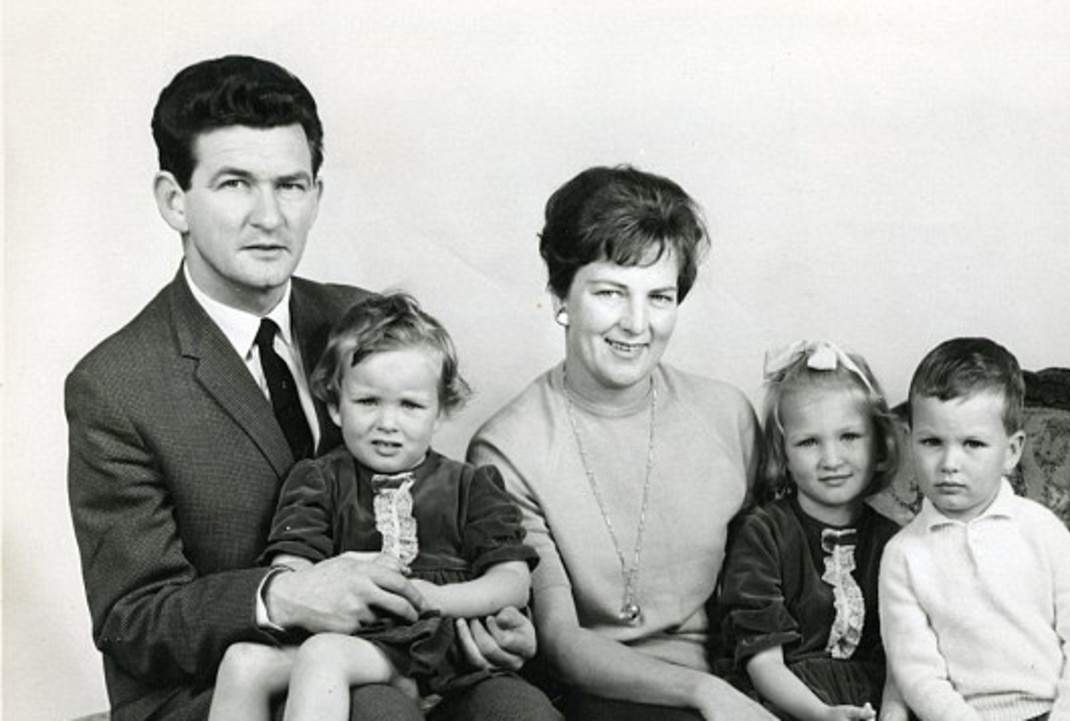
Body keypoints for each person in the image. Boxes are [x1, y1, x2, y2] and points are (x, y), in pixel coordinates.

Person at [65, 55, 551, 721]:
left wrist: (497, 621)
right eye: (236, 183)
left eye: (290, 185)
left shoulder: (364, 324)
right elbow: (131, 619)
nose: (269, 216)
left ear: (316, 195)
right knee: (376, 711)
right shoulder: (117, 384)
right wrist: (283, 594)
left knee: (521, 711)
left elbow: (435, 498)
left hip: (405, 646)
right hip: (225, 683)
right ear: (174, 200)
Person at [467, 165, 774, 721]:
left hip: (742, 681)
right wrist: (703, 695)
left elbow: (767, 588)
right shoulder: (507, 449)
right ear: (561, 295)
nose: (637, 324)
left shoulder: (728, 415)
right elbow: (560, 643)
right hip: (608, 699)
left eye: (659, 297)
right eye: (610, 292)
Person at [208, 292, 539, 720]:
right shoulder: (319, 481)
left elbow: (513, 582)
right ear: (335, 406)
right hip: (361, 643)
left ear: (439, 413)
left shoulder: (470, 486)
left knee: (326, 656)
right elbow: (293, 571)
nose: (387, 423)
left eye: (410, 405)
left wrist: (435, 597)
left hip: (445, 647)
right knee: (243, 661)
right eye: (367, 402)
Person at [878, 338, 1070, 721]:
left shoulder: (1041, 529)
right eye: (931, 442)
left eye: (973, 443)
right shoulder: (903, 554)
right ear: (910, 443)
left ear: (1011, 452)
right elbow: (917, 673)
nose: (949, 463)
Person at [719, 340, 905, 721]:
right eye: (808, 442)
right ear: (783, 455)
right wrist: (821, 714)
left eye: (849, 436)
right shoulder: (764, 533)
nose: (831, 460)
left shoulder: (895, 543)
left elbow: (907, 659)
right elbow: (762, 661)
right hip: (787, 701)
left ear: (879, 442)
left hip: (876, 703)